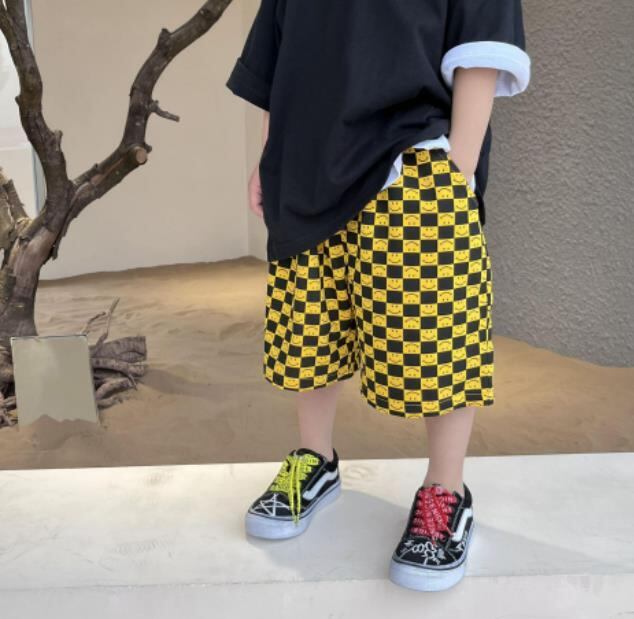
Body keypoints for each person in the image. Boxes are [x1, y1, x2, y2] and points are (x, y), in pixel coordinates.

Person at [226, 0, 531, 592]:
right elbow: (279, 54)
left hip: (410, 158)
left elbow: (482, 40)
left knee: (437, 334)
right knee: (310, 324)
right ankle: (315, 461)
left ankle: (445, 492)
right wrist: (270, 155)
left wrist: (457, 167)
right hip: (306, 158)